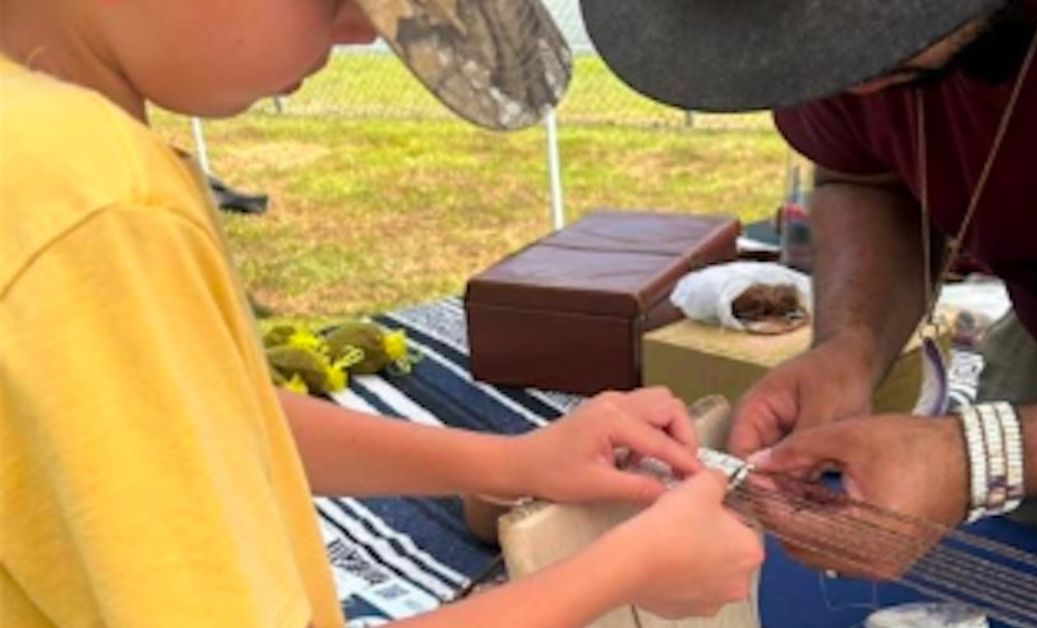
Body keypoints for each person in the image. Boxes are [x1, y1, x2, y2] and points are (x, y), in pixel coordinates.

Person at [0, 0, 763, 626]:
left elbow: (207, 418)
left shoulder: (39, 154)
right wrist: (622, 570)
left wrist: (511, 463)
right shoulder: (98, 204)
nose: (362, 32)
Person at [581, 0, 1037, 583]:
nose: (846, 79)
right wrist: (852, 345)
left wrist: (985, 456)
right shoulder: (817, 42)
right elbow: (863, 176)